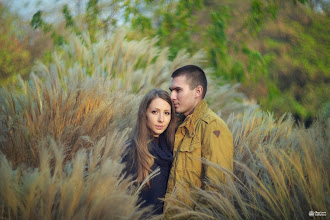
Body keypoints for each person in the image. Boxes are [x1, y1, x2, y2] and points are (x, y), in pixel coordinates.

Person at [164, 65, 234, 215]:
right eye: (171, 91)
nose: (172, 97)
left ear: (197, 91)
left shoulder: (213, 127)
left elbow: (217, 192)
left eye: (178, 90)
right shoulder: (175, 125)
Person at [122, 89, 176, 216]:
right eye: (154, 112)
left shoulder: (172, 150)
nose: (161, 119)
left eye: (167, 113)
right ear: (144, 114)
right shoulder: (130, 151)